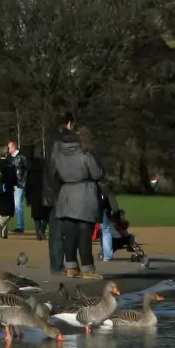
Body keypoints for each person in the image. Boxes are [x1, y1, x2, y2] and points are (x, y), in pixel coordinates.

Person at [45, 115, 102, 278]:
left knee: (69, 232)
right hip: (83, 193)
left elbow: (53, 172)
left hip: (65, 192)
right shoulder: (86, 154)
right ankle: (87, 268)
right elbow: (97, 174)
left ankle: (71, 266)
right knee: (84, 232)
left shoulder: (60, 153)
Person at [0, 146, 20, 238]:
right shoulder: (10, 165)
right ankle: (2, 225)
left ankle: (2, 228)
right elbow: (15, 180)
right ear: (6, 154)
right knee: (9, 212)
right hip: (8, 191)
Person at [6, 140, 29, 233]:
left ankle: (20, 226)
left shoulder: (21, 157)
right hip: (15, 184)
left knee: (18, 204)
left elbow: (25, 171)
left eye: (9, 147)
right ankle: (19, 225)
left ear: (14, 147)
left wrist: (23, 182)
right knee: (16, 205)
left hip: (19, 184)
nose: (8, 149)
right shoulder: (12, 158)